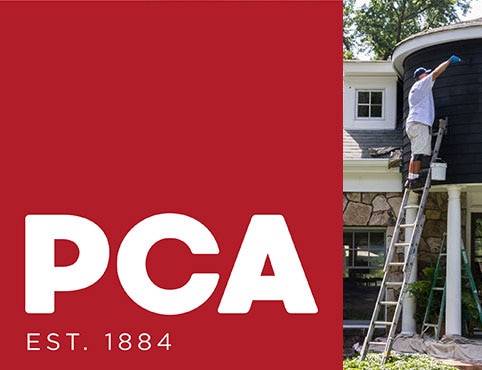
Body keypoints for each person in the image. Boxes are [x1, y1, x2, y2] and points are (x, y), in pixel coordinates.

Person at [405, 54, 461, 189]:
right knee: (418, 154)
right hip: (420, 123)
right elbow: (436, 73)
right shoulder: (421, 84)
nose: (428, 76)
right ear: (421, 76)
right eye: (426, 74)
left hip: (413, 123)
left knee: (415, 153)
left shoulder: (415, 89)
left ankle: (411, 178)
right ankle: (414, 180)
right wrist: (448, 61)